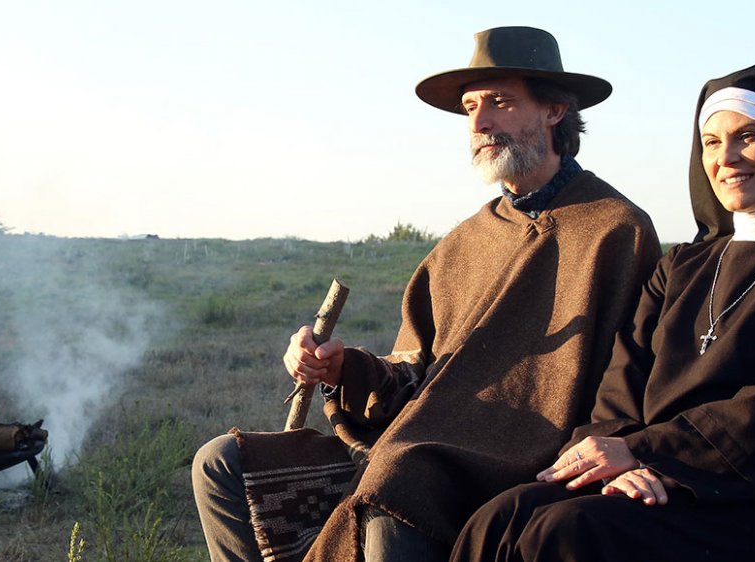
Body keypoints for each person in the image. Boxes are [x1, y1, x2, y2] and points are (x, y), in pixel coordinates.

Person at [192, 26, 661, 562]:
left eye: (500, 103)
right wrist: (341, 368)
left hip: (515, 460)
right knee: (222, 461)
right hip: (410, 440)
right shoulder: (464, 243)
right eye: (470, 108)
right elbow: (414, 371)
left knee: (403, 482)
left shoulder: (616, 230)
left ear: (555, 111)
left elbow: (632, 377)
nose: (480, 123)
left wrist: (617, 446)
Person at [449, 64, 755, 562]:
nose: (727, 157)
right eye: (712, 143)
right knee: (500, 517)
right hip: (644, 480)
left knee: (567, 531)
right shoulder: (683, 264)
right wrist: (617, 451)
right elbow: (623, 378)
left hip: (749, 503)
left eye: (749, 136)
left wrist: (650, 453)